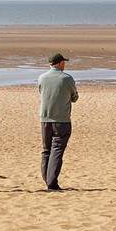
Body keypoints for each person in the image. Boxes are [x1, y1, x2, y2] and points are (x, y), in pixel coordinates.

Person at [37, 52, 78, 191]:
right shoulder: (67, 78)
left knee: (47, 150)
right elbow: (74, 97)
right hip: (62, 120)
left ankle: (47, 179)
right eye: (63, 62)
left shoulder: (42, 77)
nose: (64, 64)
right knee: (57, 150)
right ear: (59, 63)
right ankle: (51, 182)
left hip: (45, 119)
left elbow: (41, 92)